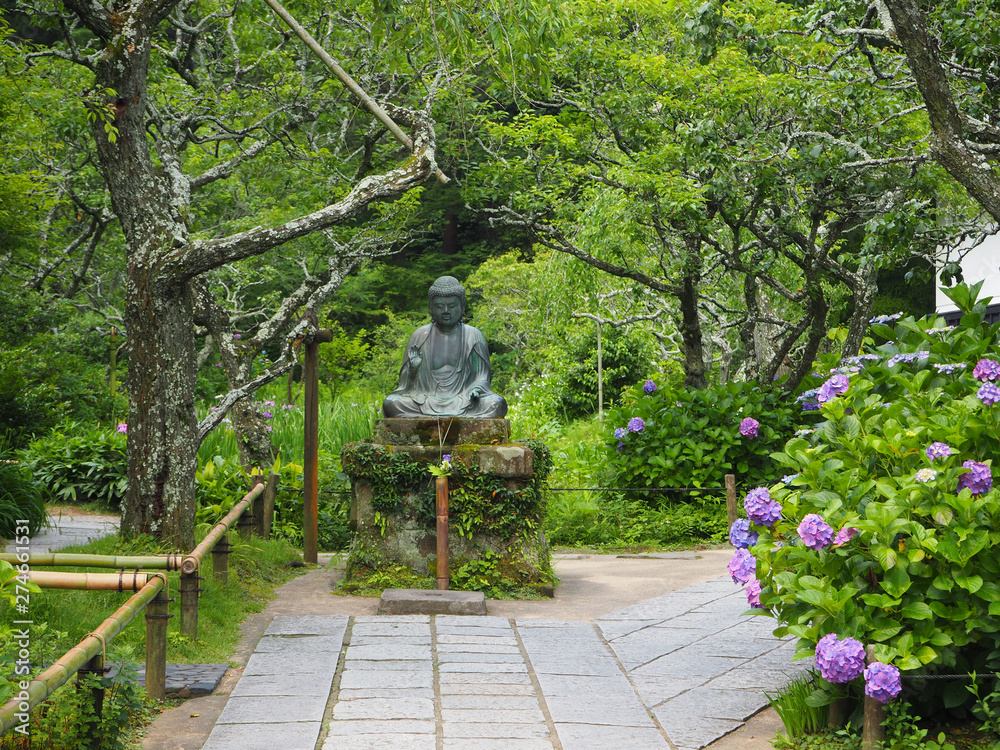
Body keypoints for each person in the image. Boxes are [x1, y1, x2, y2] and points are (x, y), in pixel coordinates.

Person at [382, 276, 508, 418]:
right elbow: (406, 386)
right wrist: (413, 369)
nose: (446, 311)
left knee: (497, 403)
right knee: (391, 403)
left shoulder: (473, 336)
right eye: (440, 306)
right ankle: (457, 419)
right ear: (431, 308)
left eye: (452, 306)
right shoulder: (420, 336)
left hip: (463, 399)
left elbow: (482, 376)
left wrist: (476, 389)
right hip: (425, 399)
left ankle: (434, 419)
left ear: (462, 307)